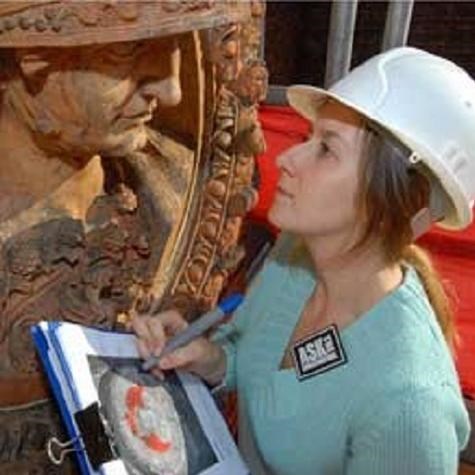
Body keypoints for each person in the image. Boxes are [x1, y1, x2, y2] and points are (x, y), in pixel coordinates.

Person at [132, 46, 474, 475]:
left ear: (394, 200)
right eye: (308, 138)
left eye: (327, 149)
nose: (285, 159)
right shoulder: (293, 253)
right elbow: (260, 366)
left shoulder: (409, 406)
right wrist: (211, 359)